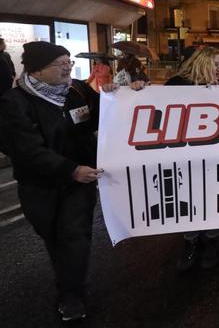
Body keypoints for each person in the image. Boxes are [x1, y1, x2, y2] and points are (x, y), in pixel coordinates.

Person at [0, 41, 143, 321]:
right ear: (37, 70)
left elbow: (103, 117)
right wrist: (69, 169)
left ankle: (71, 295)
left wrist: (123, 95)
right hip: (40, 186)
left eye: (69, 62)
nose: (67, 68)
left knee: (75, 237)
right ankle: (68, 279)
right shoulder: (14, 103)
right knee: (54, 236)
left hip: (79, 182)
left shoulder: (77, 90)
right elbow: (26, 150)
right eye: (59, 63)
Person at [165, 47, 219, 272]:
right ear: (201, 63)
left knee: (213, 199)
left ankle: (212, 241)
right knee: (189, 198)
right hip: (185, 157)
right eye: (215, 63)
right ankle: (190, 242)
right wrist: (135, 91)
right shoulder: (176, 85)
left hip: (216, 158)